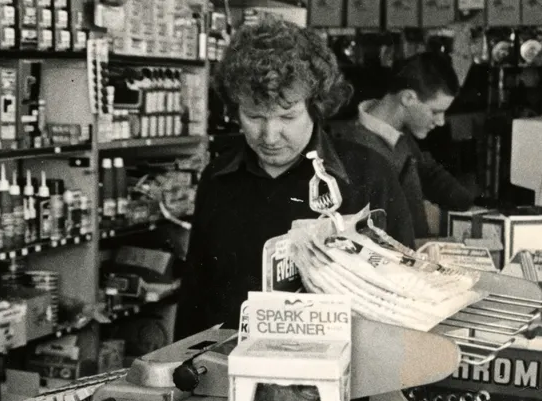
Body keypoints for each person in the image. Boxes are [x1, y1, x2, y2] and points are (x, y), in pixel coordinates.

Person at [174, 19, 416, 339]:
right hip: (232, 374)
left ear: (316, 106)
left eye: (288, 116)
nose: (270, 135)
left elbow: (404, 296)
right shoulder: (218, 179)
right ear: (235, 109)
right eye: (254, 116)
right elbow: (195, 299)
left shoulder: (368, 175)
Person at [335, 51, 478, 236]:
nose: (441, 121)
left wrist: (474, 208)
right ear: (408, 98)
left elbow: (429, 172)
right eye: (435, 111)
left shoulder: (398, 133)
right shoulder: (356, 148)